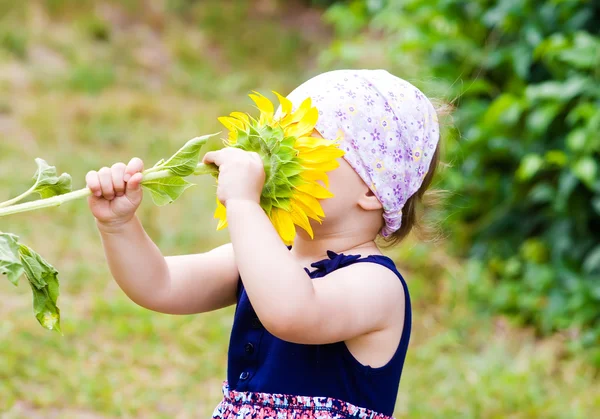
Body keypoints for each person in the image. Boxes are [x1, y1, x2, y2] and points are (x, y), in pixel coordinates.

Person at [85, 69, 443, 418]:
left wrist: (243, 203)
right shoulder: (266, 257)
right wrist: (119, 225)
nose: (280, 151)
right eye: (282, 135)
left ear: (370, 189)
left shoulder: (377, 285)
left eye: (305, 143)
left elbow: (291, 312)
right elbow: (160, 283)